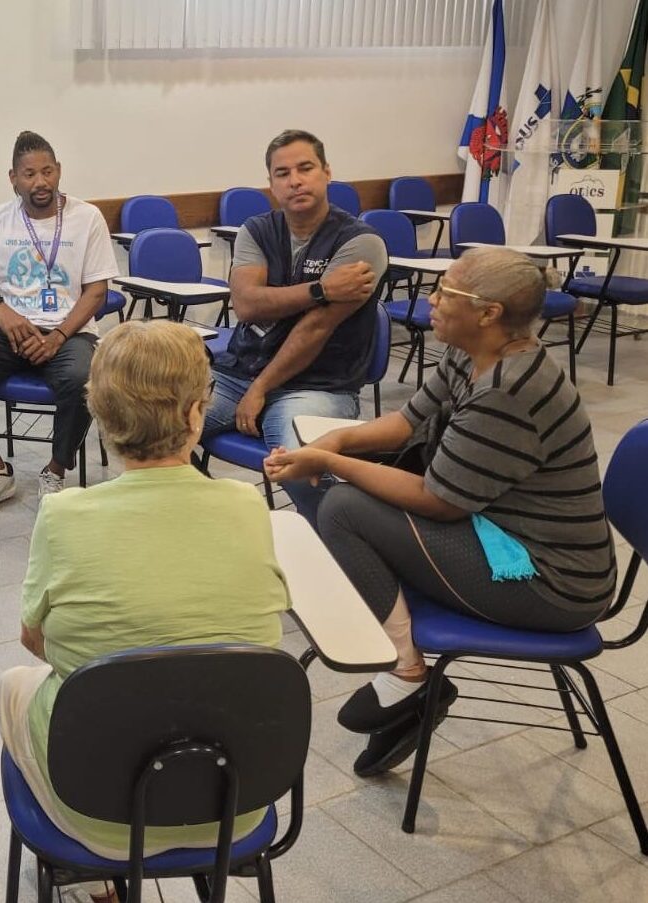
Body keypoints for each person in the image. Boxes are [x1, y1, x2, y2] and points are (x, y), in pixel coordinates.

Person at [264, 247, 616, 776]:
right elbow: (409, 421)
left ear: (488, 313)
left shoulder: (509, 391)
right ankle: (409, 671)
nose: (431, 301)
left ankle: (408, 671)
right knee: (350, 492)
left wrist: (331, 461)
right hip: (504, 536)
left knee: (343, 508)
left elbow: (439, 502)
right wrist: (340, 439)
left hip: (554, 584)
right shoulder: (473, 351)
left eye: (445, 293)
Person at [0, 321, 290, 897]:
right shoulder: (246, 504)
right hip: (236, 804)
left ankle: (90, 884)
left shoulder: (64, 517)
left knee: (13, 680)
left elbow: (38, 643)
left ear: (100, 418)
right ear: (195, 414)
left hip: (95, 813)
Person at [203, 129, 387, 525]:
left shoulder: (361, 243)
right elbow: (248, 305)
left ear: (326, 173)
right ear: (271, 184)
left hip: (319, 385)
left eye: (305, 168)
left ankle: (338, 545)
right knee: (154, 426)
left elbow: (313, 331)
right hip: (239, 373)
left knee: (301, 467)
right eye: (282, 173)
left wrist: (260, 389)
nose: (295, 180)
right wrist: (322, 288)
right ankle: (202, 521)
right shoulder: (257, 229)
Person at [0, 130, 117, 518]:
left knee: (81, 380)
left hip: (69, 332)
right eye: (30, 174)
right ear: (13, 178)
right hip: (11, 330)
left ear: (59, 172)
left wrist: (58, 336)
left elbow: (96, 292)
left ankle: (55, 471)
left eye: (47, 172)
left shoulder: (86, 218)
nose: (40, 182)